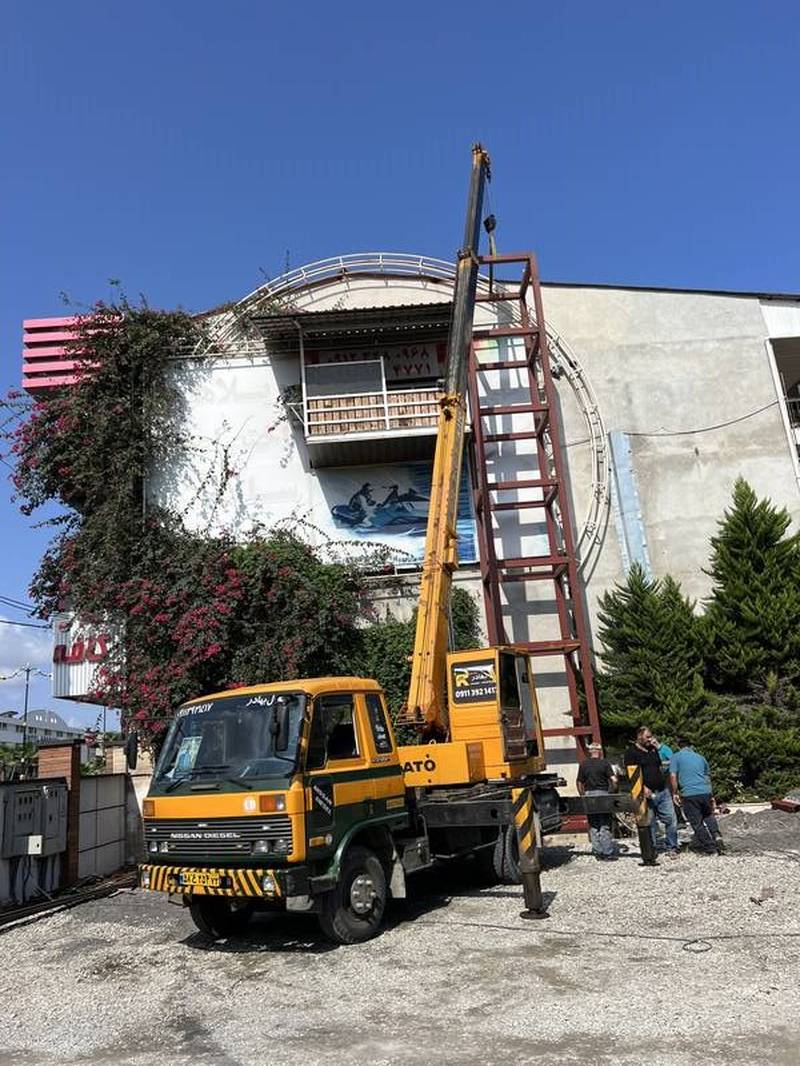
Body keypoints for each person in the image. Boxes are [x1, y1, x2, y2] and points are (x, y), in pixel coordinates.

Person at [625, 726, 679, 859]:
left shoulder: (653, 749)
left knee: (671, 820)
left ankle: (672, 846)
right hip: (645, 793)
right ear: (639, 737)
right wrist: (642, 787)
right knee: (650, 822)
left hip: (662, 790)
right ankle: (651, 849)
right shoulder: (631, 753)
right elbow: (631, 775)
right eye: (647, 737)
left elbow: (668, 761)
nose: (650, 739)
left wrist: (659, 747)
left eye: (651, 736)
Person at [669, 737, 725, 855]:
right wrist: (711, 794)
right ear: (691, 746)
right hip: (705, 791)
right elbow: (707, 777)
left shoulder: (676, 757)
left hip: (689, 793)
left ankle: (711, 848)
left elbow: (673, 776)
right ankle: (716, 835)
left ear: (679, 746)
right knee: (708, 815)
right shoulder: (700, 757)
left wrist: (674, 793)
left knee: (697, 823)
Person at [577, 742, 618, 860]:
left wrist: (582, 795)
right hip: (603, 794)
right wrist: (613, 792)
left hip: (589, 795)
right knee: (604, 824)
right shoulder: (604, 763)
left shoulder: (584, 764)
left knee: (593, 824)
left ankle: (598, 852)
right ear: (599, 751)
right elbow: (614, 780)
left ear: (590, 751)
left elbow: (579, 782)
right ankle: (607, 852)